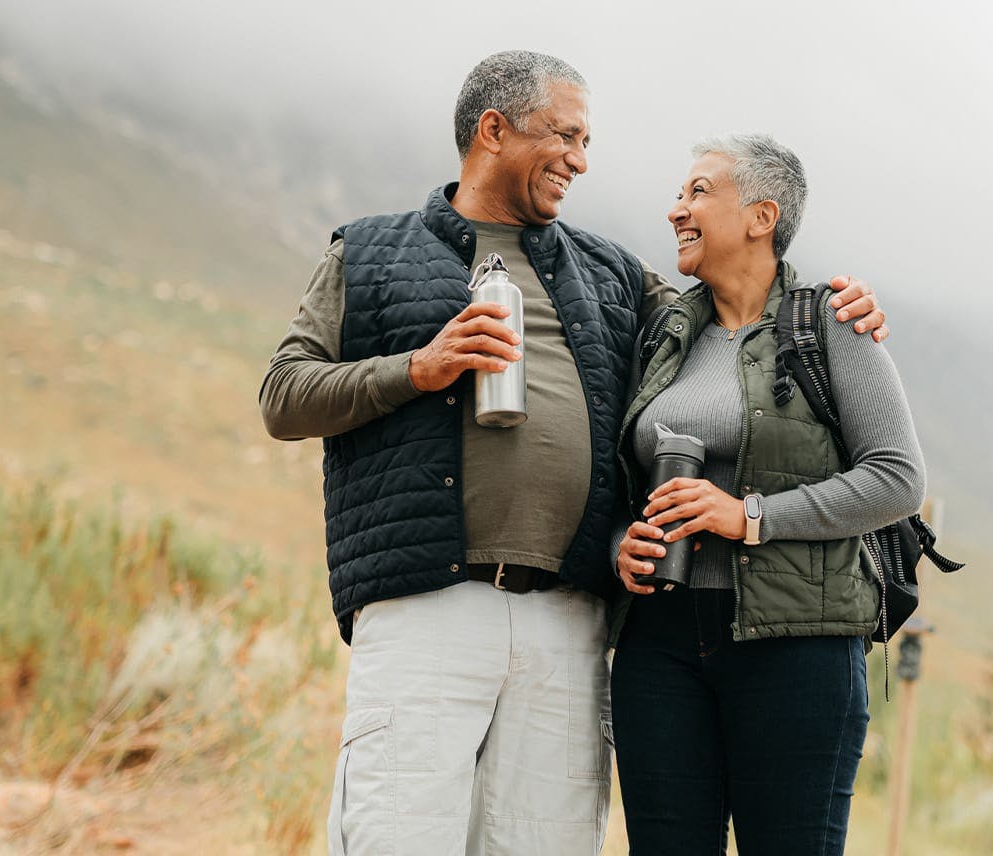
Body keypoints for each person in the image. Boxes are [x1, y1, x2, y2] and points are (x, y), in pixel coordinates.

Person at [259, 52, 888, 856]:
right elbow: (284, 395)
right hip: (426, 608)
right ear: (494, 129)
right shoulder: (369, 254)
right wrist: (420, 367)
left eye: (586, 140)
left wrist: (831, 302)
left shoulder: (613, 272)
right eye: (565, 135)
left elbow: (736, 315)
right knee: (396, 836)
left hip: (571, 619)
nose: (580, 160)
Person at [611, 133, 927, 855]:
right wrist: (619, 545)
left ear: (761, 215)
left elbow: (898, 479)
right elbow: (621, 481)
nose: (675, 211)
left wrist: (749, 517)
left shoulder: (832, 325)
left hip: (798, 652)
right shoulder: (664, 333)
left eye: (697, 192)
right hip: (658, 644)